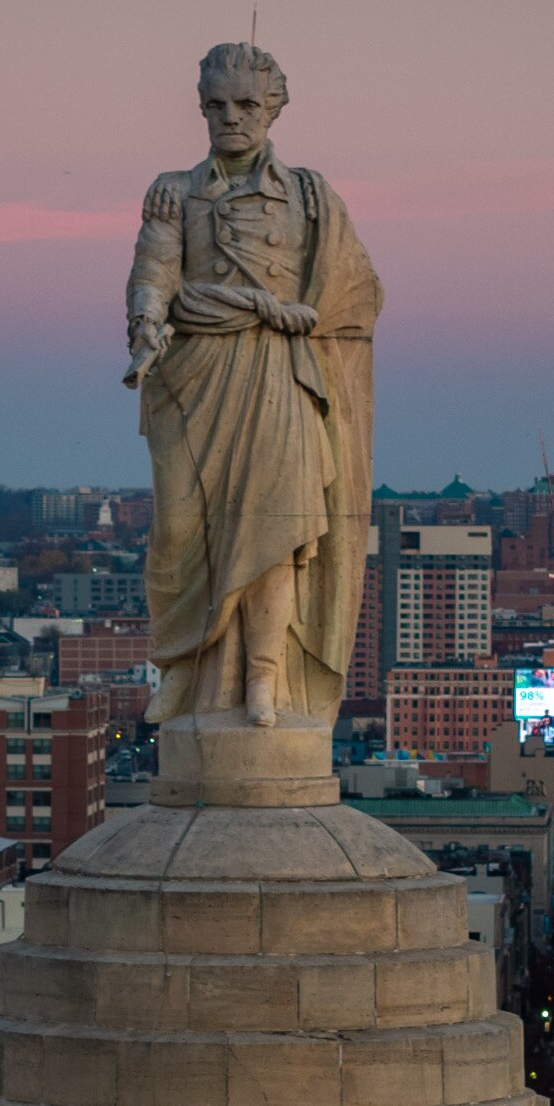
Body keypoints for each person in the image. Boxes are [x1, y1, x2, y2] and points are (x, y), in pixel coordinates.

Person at [124, 42, 381, 727]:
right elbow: (154, 269)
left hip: (278, 374)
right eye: (216, 105)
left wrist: (307, 318)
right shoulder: (174, 190)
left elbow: (358, 290)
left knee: (276, 530)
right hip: (195, 378)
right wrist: (148, 317)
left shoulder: (310, 197)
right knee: (182, 530)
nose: (230, 118)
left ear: (272, 109)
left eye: (245, 105)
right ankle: (182, 668)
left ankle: (265, 676)